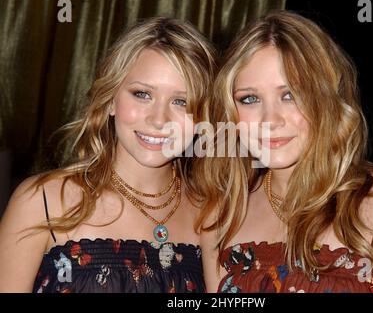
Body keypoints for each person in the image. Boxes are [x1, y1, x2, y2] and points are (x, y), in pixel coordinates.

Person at [198, 10, 373, 293]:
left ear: (327, 100)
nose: (270, 120)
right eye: (250, 99)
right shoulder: (222, 216)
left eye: (290, 96)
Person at [0, 17, 216, 293]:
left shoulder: (213, 213)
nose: (159, 119)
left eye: (181, 102)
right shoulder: (42, 202)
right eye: (142, 94)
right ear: (111, 100)